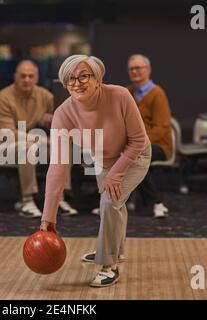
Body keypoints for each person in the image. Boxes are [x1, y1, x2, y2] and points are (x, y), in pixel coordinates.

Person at [40, 55, 151, 287]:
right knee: (113, 203)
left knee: (110, 201)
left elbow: (139, 140)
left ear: (97, 78)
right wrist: (47, 218)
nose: (76, 83)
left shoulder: (120, 95)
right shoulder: (63, 114)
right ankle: (113, 250)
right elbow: (58, 167)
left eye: (83, 76)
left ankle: (108, 265)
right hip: (104, 161)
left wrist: (116, 173)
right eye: (70, 78)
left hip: (135, 157)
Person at [0, 60, 78, 218]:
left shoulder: (43, 95)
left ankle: (58, 199)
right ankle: (26, 201)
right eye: (23, 76)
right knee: (26, 147)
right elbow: (9, 133)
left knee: (63, 145)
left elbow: (65, 115)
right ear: (15, 77)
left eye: (30, 76)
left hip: (31, 143)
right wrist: (43, 140)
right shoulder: (4, 97)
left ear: (36, 78)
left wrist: (53, 119)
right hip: (0, 145)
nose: (26, 79)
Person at [127, 54, 172, 218]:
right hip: (133, 145)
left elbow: (161, 128)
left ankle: (156, 201)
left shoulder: (157, 93)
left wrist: (139, 144)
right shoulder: (127, 92)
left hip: (159, 145)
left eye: (138, 68)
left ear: (148, 70)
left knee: (136, 158)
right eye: (131, 69)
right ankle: (112, 201)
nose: (134, 72)